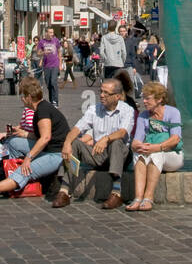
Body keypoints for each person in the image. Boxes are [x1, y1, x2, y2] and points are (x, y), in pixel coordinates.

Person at [0, 77, 69, 200]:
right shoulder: (39, 109)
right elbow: (39, 136)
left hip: (57, 153)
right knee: (14, 142)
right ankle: (9, 171)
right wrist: (23, 133)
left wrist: (29, 158)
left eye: (23, 96)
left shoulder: (43, 110)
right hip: (49, 148)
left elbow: (45, 138)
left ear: (29, 97)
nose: (21, 99)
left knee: (25, 170)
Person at [53, 76, 135, 209]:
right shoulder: (94, 109)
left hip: (120, 154)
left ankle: (116, 192)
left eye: (106, 93)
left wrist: (106, 139)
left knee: (116, 142)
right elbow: (77, 128)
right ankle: (64, 191)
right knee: (74, 144)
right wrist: (67, 143)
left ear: (117, 96)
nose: (102, 95)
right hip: (98, 153)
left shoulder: (127, 110)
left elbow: (123, 132)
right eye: (101, 91)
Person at [127, 81, 182, 211]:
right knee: (139, 153)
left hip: (173, 155)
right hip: (151, 151)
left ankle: (148, 197)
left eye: (147, 98)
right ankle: (138, 197)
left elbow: (175, 139)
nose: (144, 101)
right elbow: (135, 141)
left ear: (159, 99)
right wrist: (138, 146)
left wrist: (156, 147)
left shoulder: (173, 112)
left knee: (156, 153)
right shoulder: (143, 116)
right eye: (143, 98)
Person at [36, 27, 62, 106]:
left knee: (53, 82)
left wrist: (60, 64)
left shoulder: (56, 40)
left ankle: (55, 101)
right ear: (46, 33)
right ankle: (52, 100)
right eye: (50, 32)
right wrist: (44, 52)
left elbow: (59, 52)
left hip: (55, 64)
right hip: (46, 65)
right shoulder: (41, 42)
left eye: (52, 32)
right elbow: (38, 53)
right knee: (48, 83)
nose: (52, 34)